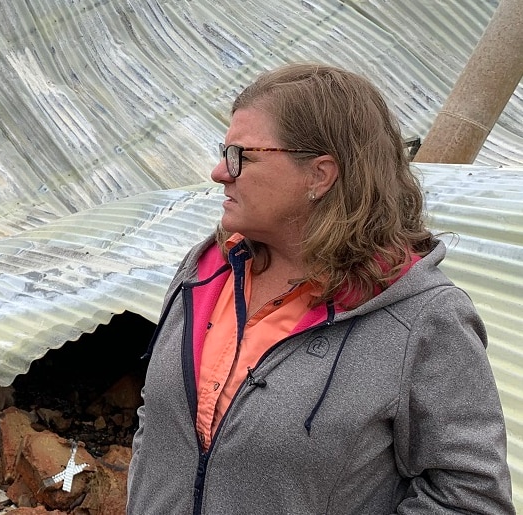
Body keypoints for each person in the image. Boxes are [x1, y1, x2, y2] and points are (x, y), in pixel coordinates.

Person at [126, 62, 514, 514]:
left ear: (319, 175)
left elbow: (471, 500)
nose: (218, 172)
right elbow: (156, 427)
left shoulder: (422, 320)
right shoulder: (206, 269)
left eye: (241, 156)